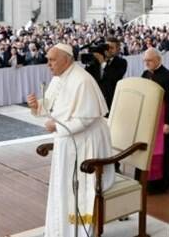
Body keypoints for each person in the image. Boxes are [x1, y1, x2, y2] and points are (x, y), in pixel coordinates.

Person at [26, 43, 114, 237]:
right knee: (63, 190)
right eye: (48, 60)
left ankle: (80, 230)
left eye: (52, 60)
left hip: (86, 144)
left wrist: (57, 126)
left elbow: (86, 117)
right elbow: (52, 105)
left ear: (66, 59)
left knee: (80, 193)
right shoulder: (59, 78)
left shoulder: (82, 80)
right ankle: (62, 230)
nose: (48, 64)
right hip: (68, 141)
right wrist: (36, 106)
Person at [141, 48, 169, 192]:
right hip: (148, 118)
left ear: (158, 60)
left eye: (149, 60)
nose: (146, 63)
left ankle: (160, 183)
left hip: (162, 120)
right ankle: (144, 180)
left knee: (161, 150)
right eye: (145, 60)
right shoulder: (145, 74)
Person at [99, 38, 127, 111]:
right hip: (98, 99)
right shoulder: (97, 61)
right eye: (106, 47)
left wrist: (103, 63)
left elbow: (115, 76)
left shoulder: (122, 62)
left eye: (111, 48)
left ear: (118, 49)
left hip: (112, 100)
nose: (108, 50)